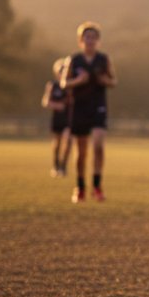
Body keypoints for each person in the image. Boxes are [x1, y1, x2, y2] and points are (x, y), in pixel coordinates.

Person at [60, 22, 116, 202]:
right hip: (80, 107)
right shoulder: (74, 60)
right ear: (80, 40)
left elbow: (114, 81)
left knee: (98, 145)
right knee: (81, 151)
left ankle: (97, 186)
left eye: (93, 37)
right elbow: (63, 83)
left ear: (98, 41)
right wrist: (78, 80)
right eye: (87, 37)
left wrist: (103, 80)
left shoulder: (103, 59)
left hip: (98, 106)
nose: (90, 40)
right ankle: (80, 187)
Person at [41, 58, 72, 177]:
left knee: (68, 140)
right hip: (57, 118)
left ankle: (63, 166)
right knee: (57, 143)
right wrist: (57, 105)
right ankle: (56, 165)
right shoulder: (52, 85)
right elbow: (45, 101)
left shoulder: (70, 85)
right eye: (61, 70)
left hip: (69, 118)